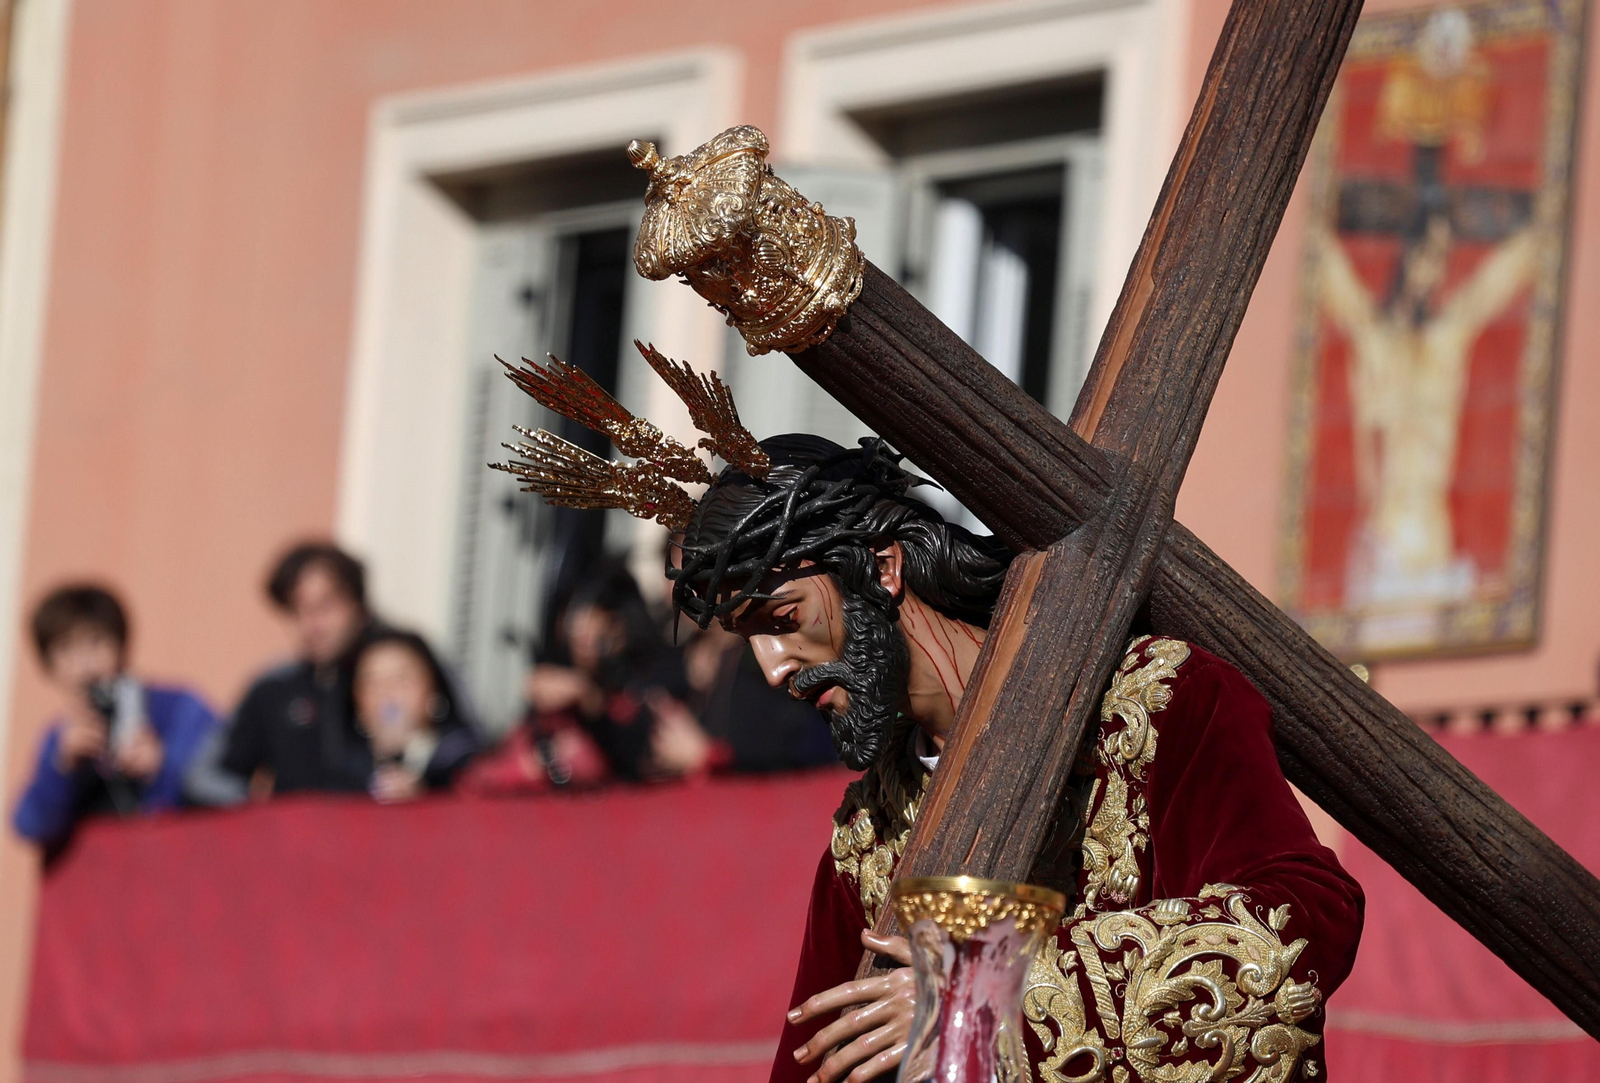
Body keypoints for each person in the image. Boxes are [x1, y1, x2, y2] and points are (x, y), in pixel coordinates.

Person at [500, 352, 1363, 1083]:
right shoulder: (867, 839)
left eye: (784, 617)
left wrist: (985, 999)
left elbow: (1302, 920)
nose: (774, 668)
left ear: (881, 567)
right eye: (747, 639)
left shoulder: (1155, 702)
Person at [13, 585, 217, 847]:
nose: (85, 665)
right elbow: (30, 826)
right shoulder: (61, 737)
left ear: (121, 644)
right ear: (48, 665)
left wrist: (162, 768)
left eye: (96, 642)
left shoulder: (178, 708)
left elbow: (227, 787)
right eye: (65, 649)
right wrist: (62, 770)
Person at [186, 543, 377, 803]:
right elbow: (207, 776)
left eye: (326, 606)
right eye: (299, 610)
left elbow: (435, 754)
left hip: (384, 827)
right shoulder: (275, 687)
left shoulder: (399, 673)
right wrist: (257, 812)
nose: (314, 625)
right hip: (295, 829)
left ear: (357, 605)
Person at [351, 629, 480, 802]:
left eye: (402, 679)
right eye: (372, 682)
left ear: (434, 690)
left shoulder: (463, 761)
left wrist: (425, 794)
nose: (387, 693)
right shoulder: (342, 766)